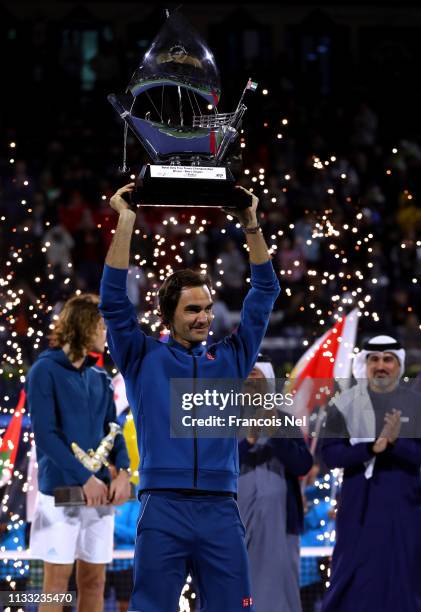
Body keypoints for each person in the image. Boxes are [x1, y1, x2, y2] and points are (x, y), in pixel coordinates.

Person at [99, 183, 280, 611]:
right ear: (168, 315)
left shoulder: (231, 358)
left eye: (207, 308)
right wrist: (126, 221)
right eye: (192, 310)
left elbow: (265, 293)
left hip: (221, 511)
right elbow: (112, 301)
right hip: (163, 509)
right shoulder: (143, 356)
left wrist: (251, 224)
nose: (204, 317)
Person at [26, 293, 131, 612]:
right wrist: (85, 479)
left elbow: (113, 432)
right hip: (61, 493)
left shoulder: (99, 377)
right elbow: (45, 436)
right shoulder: (43, 371)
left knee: (94, 583)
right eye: (101, 326)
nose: (105, 334)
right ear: (84, 326)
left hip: (98, 495)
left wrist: (123, 472)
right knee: (56, 586)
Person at [321, 335, 421, 612]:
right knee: (352, 580)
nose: (380, 366)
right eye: (374, 359)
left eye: (387, 359)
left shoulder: (416, 403)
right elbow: (330, 455)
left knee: (404, 578)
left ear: (399, 365)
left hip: (405, 509)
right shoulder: (344, 404)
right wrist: (370, 449)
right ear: (364, 363)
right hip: (358, 509)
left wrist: (396, 443)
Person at [237, 355, 313, 612]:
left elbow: (303, 464)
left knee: (280, 593)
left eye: (256, 374)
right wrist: (248, 441)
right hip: (234, 525)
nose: (249, 379)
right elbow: (211, 466)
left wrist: (275, 433)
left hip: (281, 525)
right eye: (246, 374)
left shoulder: (285, 420)